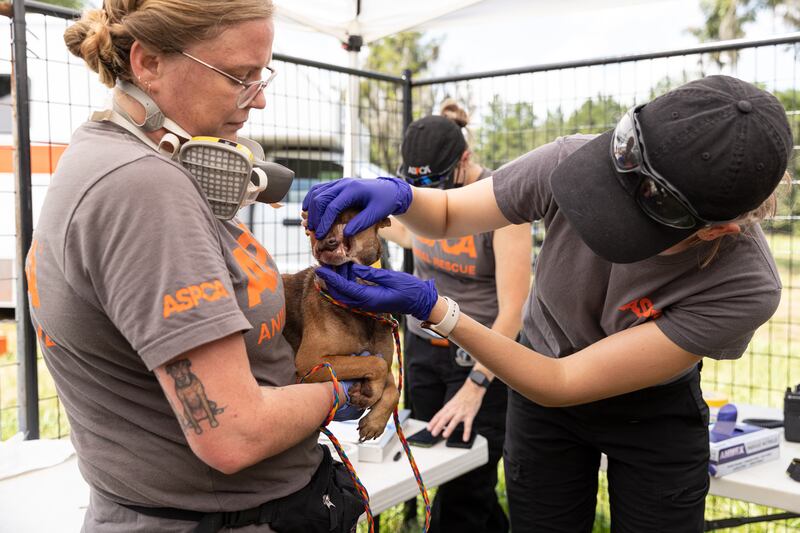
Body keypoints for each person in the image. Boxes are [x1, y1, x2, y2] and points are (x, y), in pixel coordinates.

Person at [304, 75, 793, 532]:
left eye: (631, 219)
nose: (607, 214)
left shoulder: (744, 285)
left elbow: (563, 381)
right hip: (539, 394)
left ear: (715, 230)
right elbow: (450, 213)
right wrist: (398, 196)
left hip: (648, 412)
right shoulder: (572, 160)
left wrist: (437, 310)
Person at [26, 1, 363, 532]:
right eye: (238, 77)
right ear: (149, 63)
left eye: (262, 75)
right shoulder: (146, 190)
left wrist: (318, 290)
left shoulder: (106, 155)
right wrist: (345, 388)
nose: (259, 99)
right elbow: (235, 434)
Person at [380, 101, 530, 532]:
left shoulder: (503, 204)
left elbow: (514, 311)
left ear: (464, 161)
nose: (431, 199)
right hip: (424, 351)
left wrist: (475, 387)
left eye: (440, 187)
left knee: (468, 483)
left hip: (480, 358)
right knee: (436, 470)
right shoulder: (420, 192)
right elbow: (411, 234)